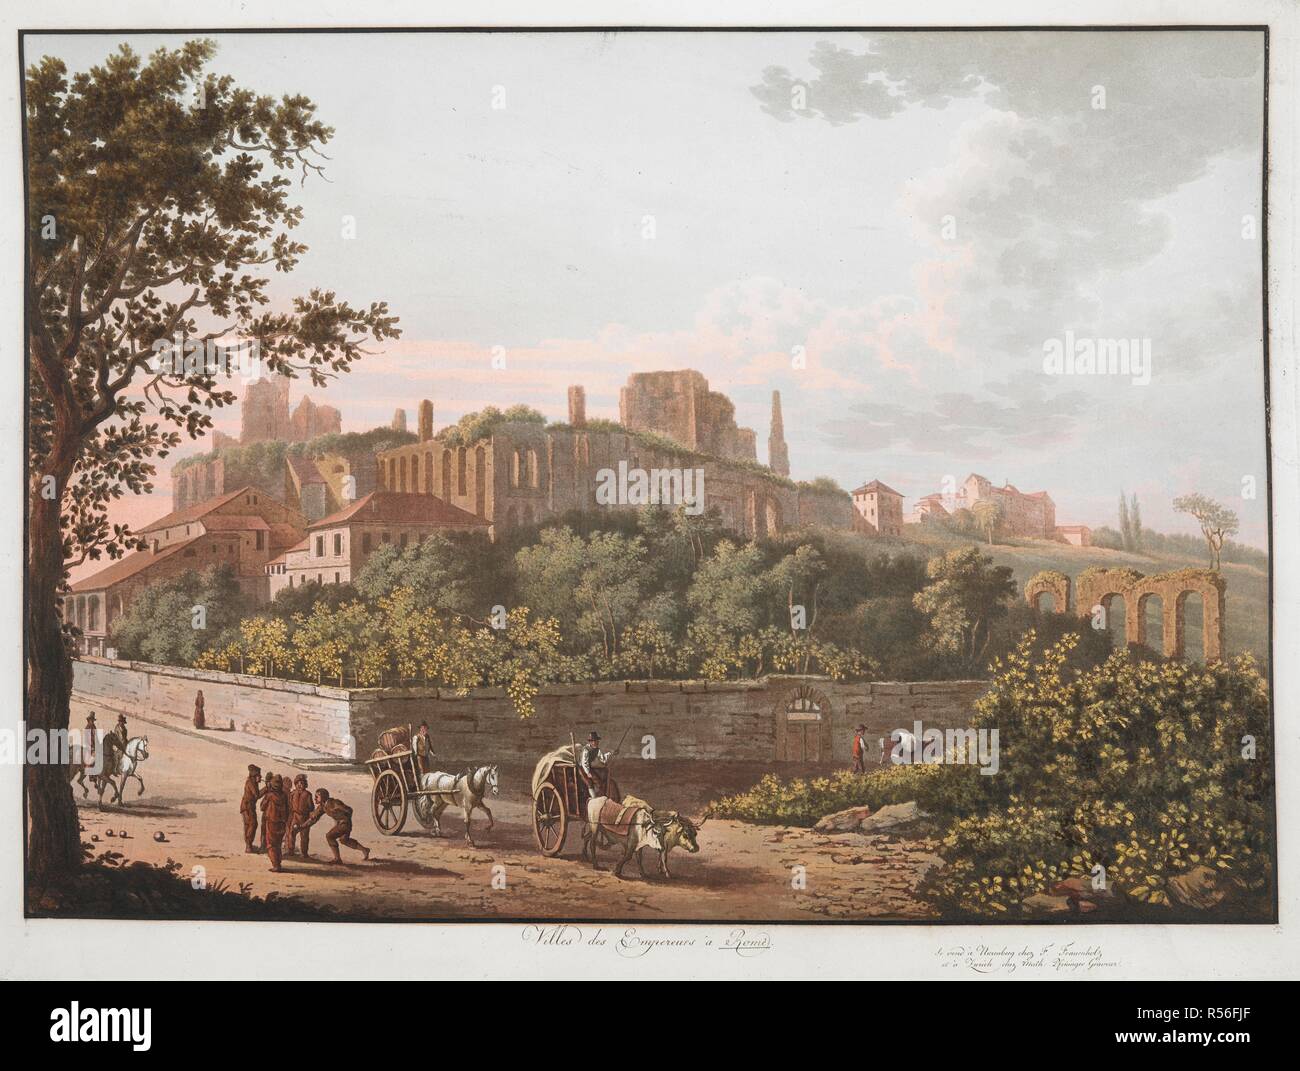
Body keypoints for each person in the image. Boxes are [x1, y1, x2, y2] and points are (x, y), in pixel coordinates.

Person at [303, 788, 370, 864]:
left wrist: (343, 819)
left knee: (329, 836)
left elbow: (349, 810)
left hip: (344, 824)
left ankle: (337, 859)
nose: (315, 798)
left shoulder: (334, 803)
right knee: (344, 840)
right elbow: (313, 819)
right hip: (343, 824)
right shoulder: (322, 807)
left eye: (317, 796)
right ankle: (365, 850)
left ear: (324, 796)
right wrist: (302, 826)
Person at [263, 775, 290, 872]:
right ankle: (278, 864)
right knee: (278, 844)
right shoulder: (284, 795)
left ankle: (276, 865)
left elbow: (262, 807)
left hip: (271, 821)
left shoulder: (269, 795)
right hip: (282, 822)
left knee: (271, 844)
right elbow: (288, 809)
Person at [286, 775, 314, 858]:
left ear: (305, 784)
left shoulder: (308, 794)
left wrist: (309, 816)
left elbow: (311, 807)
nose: (299, 785)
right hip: (295, 816)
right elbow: (290, 804)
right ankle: (291, 851)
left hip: (304, 817)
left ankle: (304, 853)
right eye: (297, 783)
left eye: (301, 783)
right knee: (292, 833)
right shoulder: (293, 793)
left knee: (304, 835)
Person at [240, 764, 264, 853]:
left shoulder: (253, 782)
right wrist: (266, 788)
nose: (260, 777)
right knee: (252, 824)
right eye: (258, 775)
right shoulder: (251, 783)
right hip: (247, 807)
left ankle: (248, 845)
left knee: (249, 825)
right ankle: (248, 846)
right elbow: (257, 795)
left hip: (248, 806)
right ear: (254, 776)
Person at [578, 731, 608, 802]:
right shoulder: (586, 749)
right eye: (593, 741)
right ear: (590, 742)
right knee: (589, 782)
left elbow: (603, 759)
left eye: (596, 741)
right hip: (582, 768)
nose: (595, 743)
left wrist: (611, 754)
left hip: (589, 768)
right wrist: (588, 772)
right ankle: (593, 799)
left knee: (598, 781)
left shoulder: (597, 750)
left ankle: (600, 798)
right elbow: (584, 763)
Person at [259, 771, 276, 852]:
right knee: (263, 829)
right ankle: (263, 846)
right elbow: (258, 795)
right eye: (266, 782)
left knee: (270, 831)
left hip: (272, 814)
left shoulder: (275, 790)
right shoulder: (267, 788)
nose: (267, 784)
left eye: (269, 782)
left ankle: (268, 847)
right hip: (266, 813)